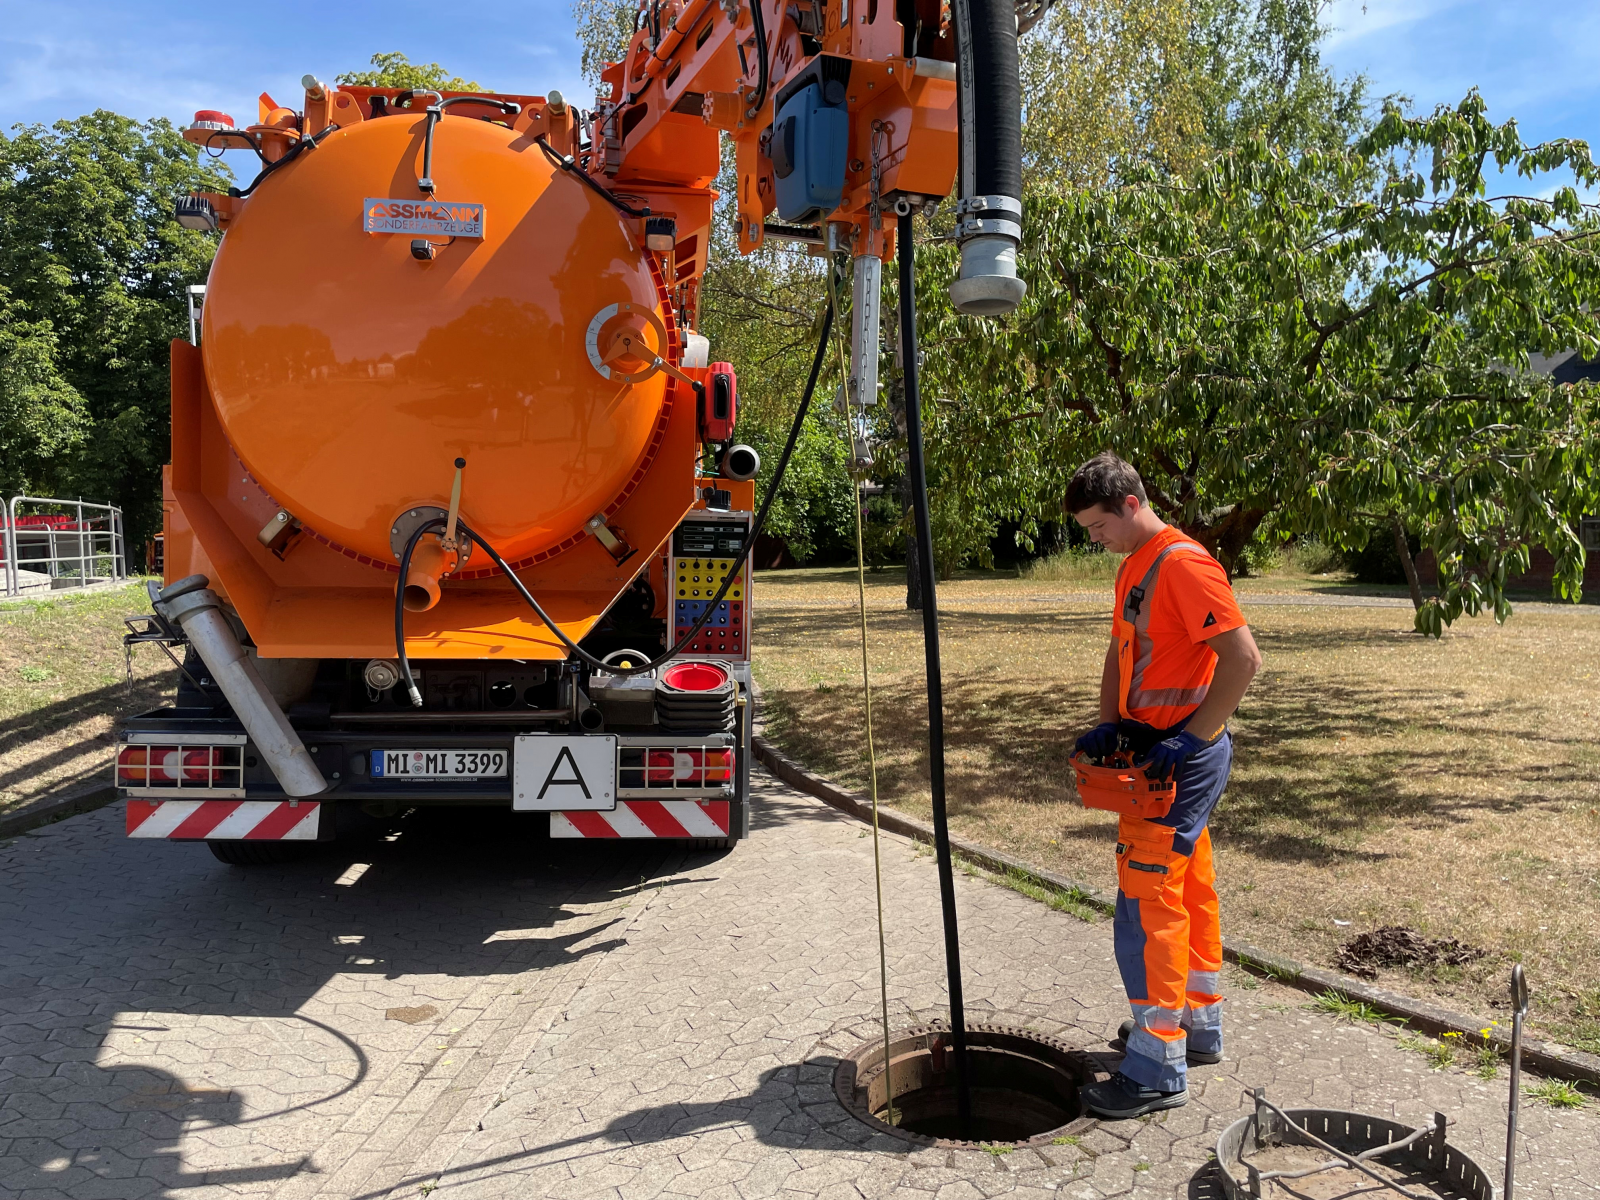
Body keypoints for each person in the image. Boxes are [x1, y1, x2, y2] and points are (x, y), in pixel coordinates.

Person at [1065, 451, 1262, 1120]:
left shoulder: (1184, 564)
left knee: (1146, 905)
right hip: (1153, 751)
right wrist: (1109, 725)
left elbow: (1244, 659)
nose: (1094, 541)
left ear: (1127, 504)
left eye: (1097, 527)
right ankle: (1196, 1028)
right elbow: (1120, 649)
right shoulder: (1135, 567)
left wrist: (1193, 737)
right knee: (1187, 885)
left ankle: (1154, 1063)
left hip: (1180, 757)